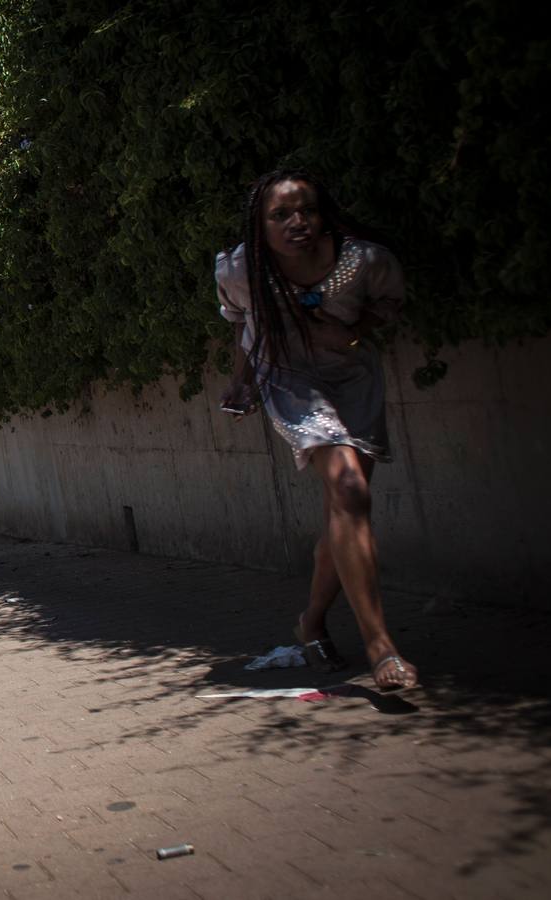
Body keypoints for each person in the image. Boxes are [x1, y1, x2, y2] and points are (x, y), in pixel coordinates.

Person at [216, 169, 418, 691]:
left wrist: (350, 332)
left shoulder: (363, 262)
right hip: (289, 380)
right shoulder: (243, 269)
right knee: (349, 489)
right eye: (280, 215)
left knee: (343, 508)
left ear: (323, 213)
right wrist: (241, 382)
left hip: (351, 379)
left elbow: (389, 307)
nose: (296, 222)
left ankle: (310, 623)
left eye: (306, 209)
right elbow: (241, 323)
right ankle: (381, 648)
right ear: (260, 227)